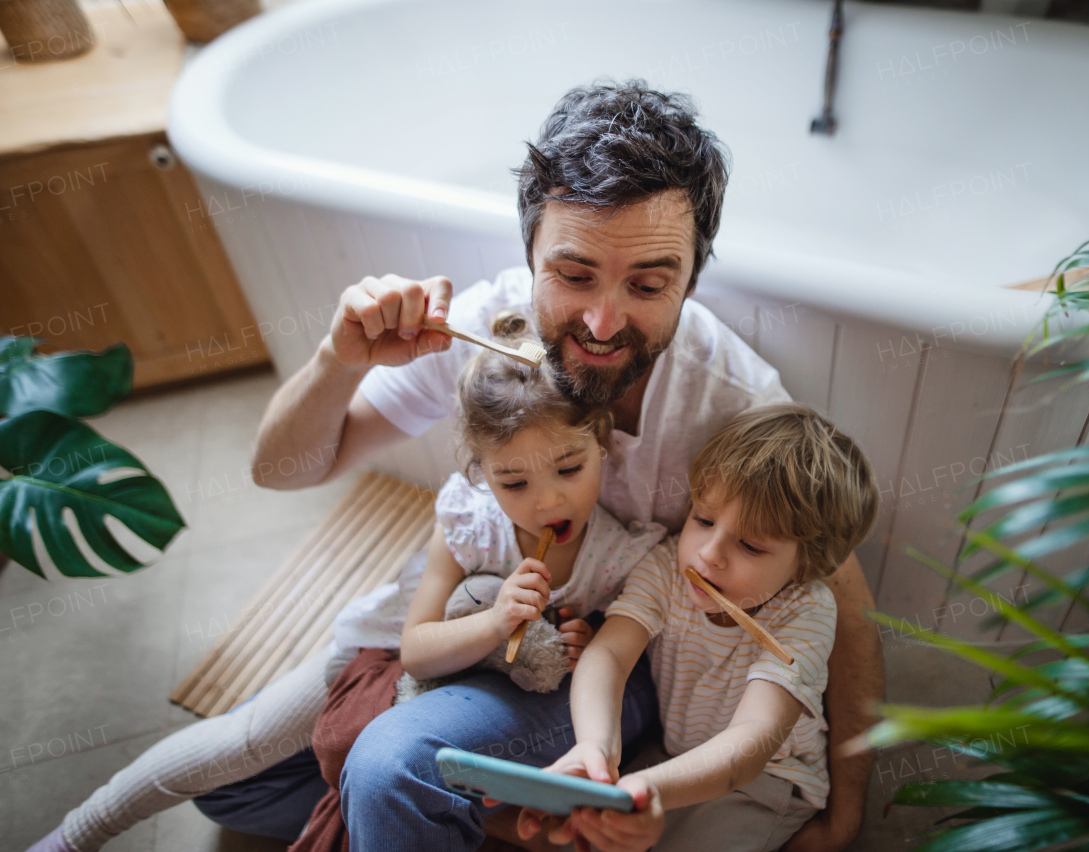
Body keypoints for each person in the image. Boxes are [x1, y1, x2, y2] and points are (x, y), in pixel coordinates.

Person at [31, 78, 882, 852]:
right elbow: (281, 472)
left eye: (649, 285)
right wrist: (340, 356)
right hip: (448, 634)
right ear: (528, 257)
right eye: (574, 273)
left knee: (387, 768)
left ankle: (425, 804)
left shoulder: (736, 404)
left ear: (694, 278)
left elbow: (837, 598)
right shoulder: (489, 336)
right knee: (243, 792)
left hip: (582, 665)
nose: (601, 320)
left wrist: (844, 814)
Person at [286, 310, 671, 851]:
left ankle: (446, 812)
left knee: (382, 773)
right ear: (482, 474)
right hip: (464, 679)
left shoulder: (618, 554)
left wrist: (588, 643)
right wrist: (495, 621)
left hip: (553, 702)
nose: (548, 502)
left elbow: (621, 659)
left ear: (601, 442)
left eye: (569, 468)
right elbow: (416, 651)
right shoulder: (469, 525)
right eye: (513, 481)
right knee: (249, 781)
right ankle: (463, 817)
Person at [514, 404, 880, 852]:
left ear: (807, 565)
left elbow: (748, 746)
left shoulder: (806, 611)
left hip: (765, 784)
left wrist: (640, 791)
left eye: (749, 545)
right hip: (675, 757)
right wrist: (595, 748)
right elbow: (608, 655)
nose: (709, 554)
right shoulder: (669, 564)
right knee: (590, 833)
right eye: (703, 519)